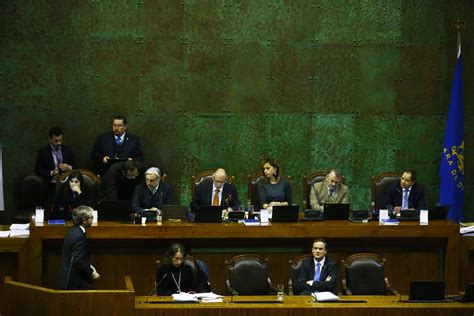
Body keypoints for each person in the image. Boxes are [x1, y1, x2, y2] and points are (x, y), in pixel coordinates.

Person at [58, 205, 100, 290]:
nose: (93, 219)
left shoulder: (73, 230)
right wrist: (92, 272)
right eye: (91, 217)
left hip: (67, 278)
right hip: (74, 281)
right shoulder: (79, 236)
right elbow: (78, 261)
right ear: (84, 220)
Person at [35, 126, 76, 200]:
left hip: (67, 186)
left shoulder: (68, 150)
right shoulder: (43, 152)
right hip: (50, 186)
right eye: (56, 141)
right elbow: (37, 170)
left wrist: (69, 167)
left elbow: (75, 166)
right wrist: (51, 173)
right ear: (50, 139)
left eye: (60, 140)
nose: (58, 143)